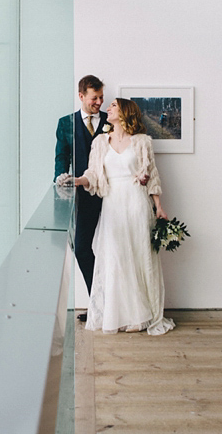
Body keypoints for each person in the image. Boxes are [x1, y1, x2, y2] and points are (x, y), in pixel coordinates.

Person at [69, 98, 175, 336]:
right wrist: (78, 181)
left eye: (114, 106)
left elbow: (152, 174)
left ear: (126, 111)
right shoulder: (100, 142)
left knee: (137, 257)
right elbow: (93, 174)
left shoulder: (142, 142)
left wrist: (158, 207)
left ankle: (140, 318)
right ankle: (119, 315)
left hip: (136, 202)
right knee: (116, 258)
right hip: (112, 204)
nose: (108, 108)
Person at [55, 75, 107, 306]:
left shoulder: (111, 120)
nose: (99, 103)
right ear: (81, 96)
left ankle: (113, 307)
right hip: (82, 196)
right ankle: (98, 304)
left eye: (101, 97)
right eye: (95, 98)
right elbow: (61, 156)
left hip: (111, 194)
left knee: (114, 249)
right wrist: (60, 178)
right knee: (83, 249)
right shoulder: (66, 123)